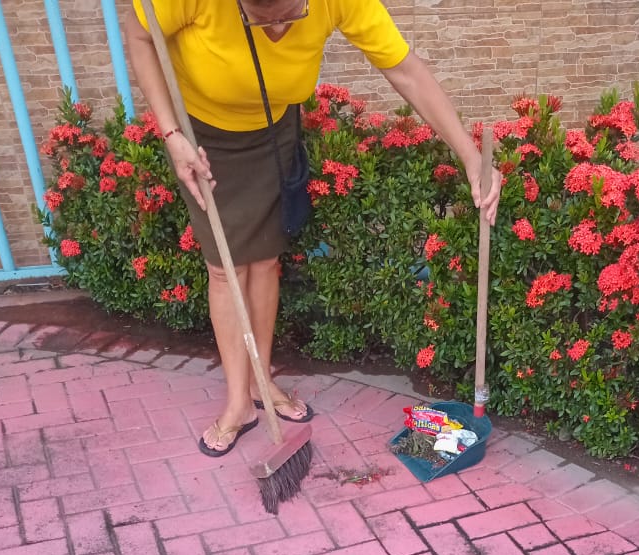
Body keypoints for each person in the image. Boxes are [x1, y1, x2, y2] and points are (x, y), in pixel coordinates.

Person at [125, 0, 501, 457]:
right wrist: (171, 135)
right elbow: (139, 34)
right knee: (225, 268)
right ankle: (239, 402)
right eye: (260, 19)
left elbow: (404, 69)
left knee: (265, 259)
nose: (278, 29)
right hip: (202, 137)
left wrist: (468, 155)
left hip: (273, 130)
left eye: (289, 14)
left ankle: (261, 382)